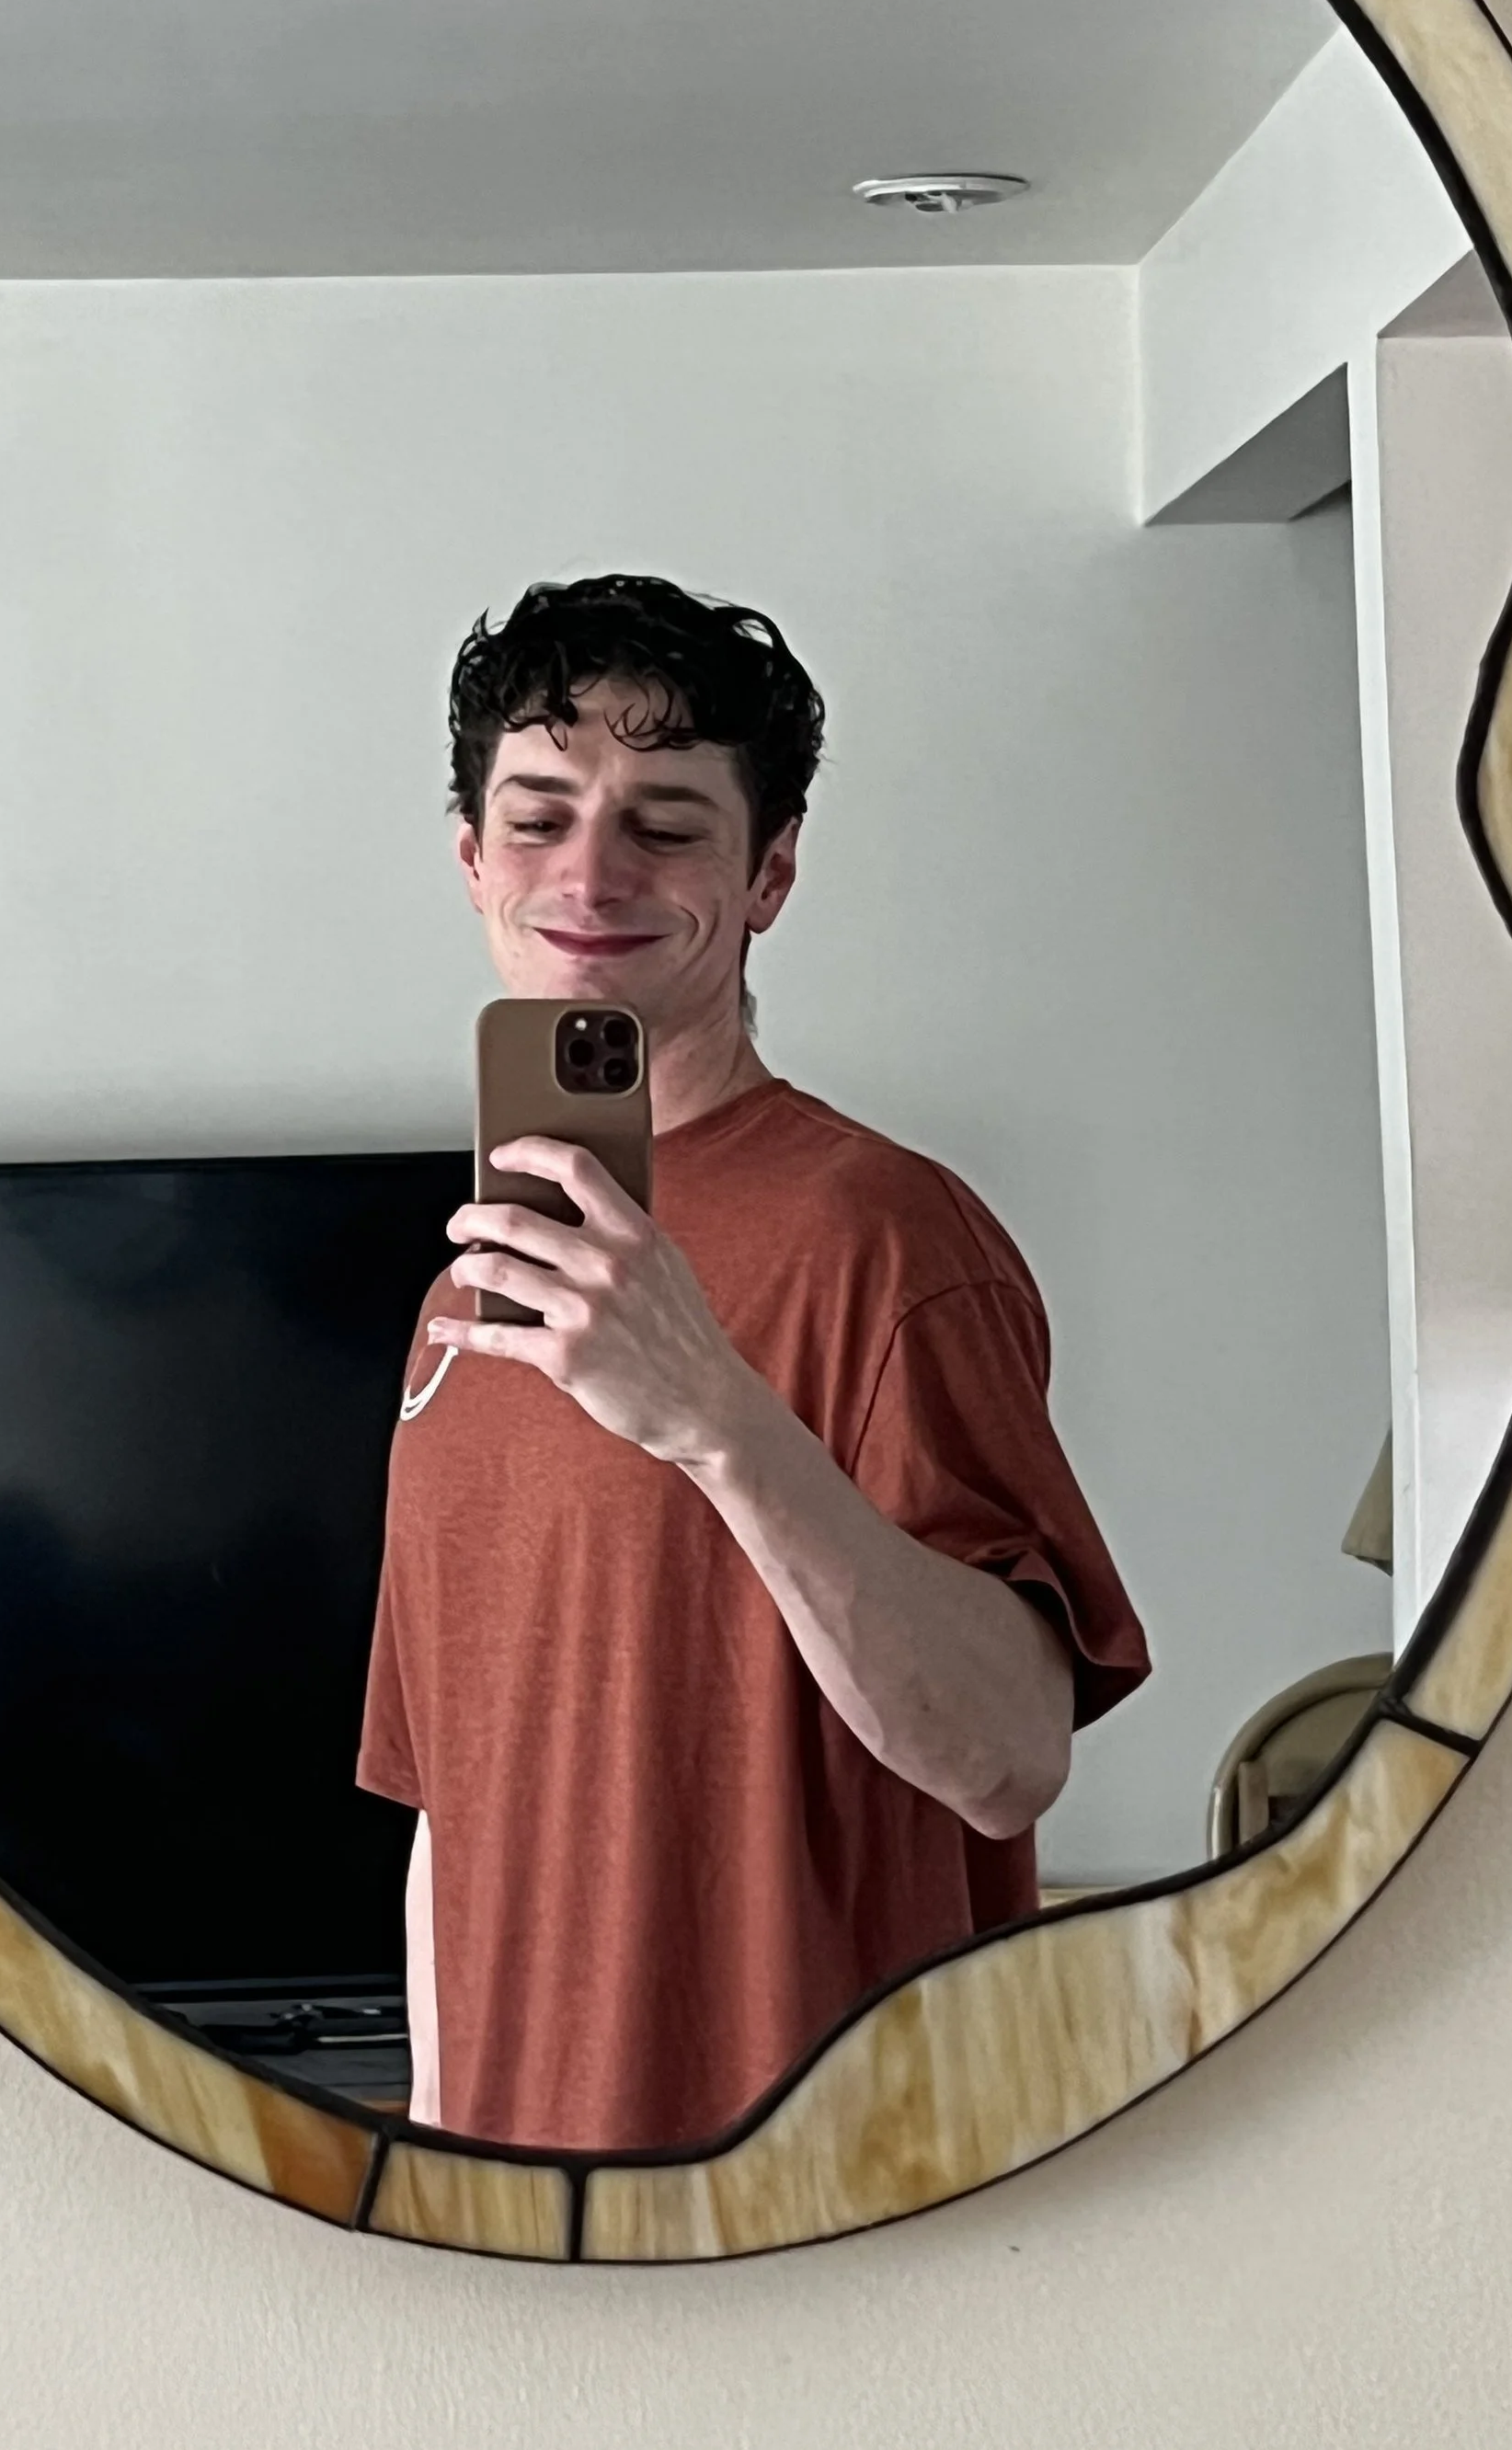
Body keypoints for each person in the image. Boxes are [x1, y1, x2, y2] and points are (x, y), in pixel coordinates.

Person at [359, 574, 1147, 2154]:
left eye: (666, 823)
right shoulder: (482, 1275)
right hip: (533, 2207)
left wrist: (718, 1421)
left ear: (768, 872)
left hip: (813, 2205)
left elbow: (1008, 1760)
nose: (590, 871)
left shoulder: (893, 1236)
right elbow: (455, 1802)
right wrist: (448, 2147)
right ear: (468, 861)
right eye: (538, 816)